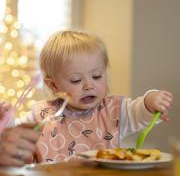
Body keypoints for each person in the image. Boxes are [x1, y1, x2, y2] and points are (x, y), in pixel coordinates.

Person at [1, 30, 173, 165]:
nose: (89, 85)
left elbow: (138, 112)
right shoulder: (42, 114)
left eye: (97, 76)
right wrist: (6, 120)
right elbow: (15, 135)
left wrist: (150, 101)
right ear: (53, 86)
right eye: (76, 80)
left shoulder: (112, 111)